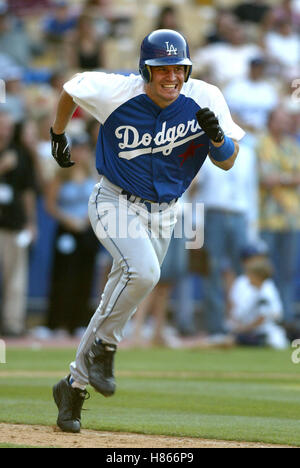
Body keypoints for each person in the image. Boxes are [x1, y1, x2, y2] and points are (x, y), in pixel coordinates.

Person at [50, 29, 244, 433]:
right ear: (145, 69)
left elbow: (227, 161)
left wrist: (218, 137)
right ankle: (106, 347)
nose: (172, 76)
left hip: (165, 213)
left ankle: (73, 386)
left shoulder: (204, 97)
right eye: (162, 69)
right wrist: (58, 133)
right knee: (145, 273)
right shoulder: (116, 92)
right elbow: (70, 88)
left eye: (179, 68)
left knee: (112, 302)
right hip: (114, 201)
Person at [0, 110, 37, 336]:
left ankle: (12, 323)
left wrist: (31, 221)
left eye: (7, 126)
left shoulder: (21, 153)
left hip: (13, 223)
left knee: (15, 277)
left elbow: (28, 191)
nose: (5, 130)